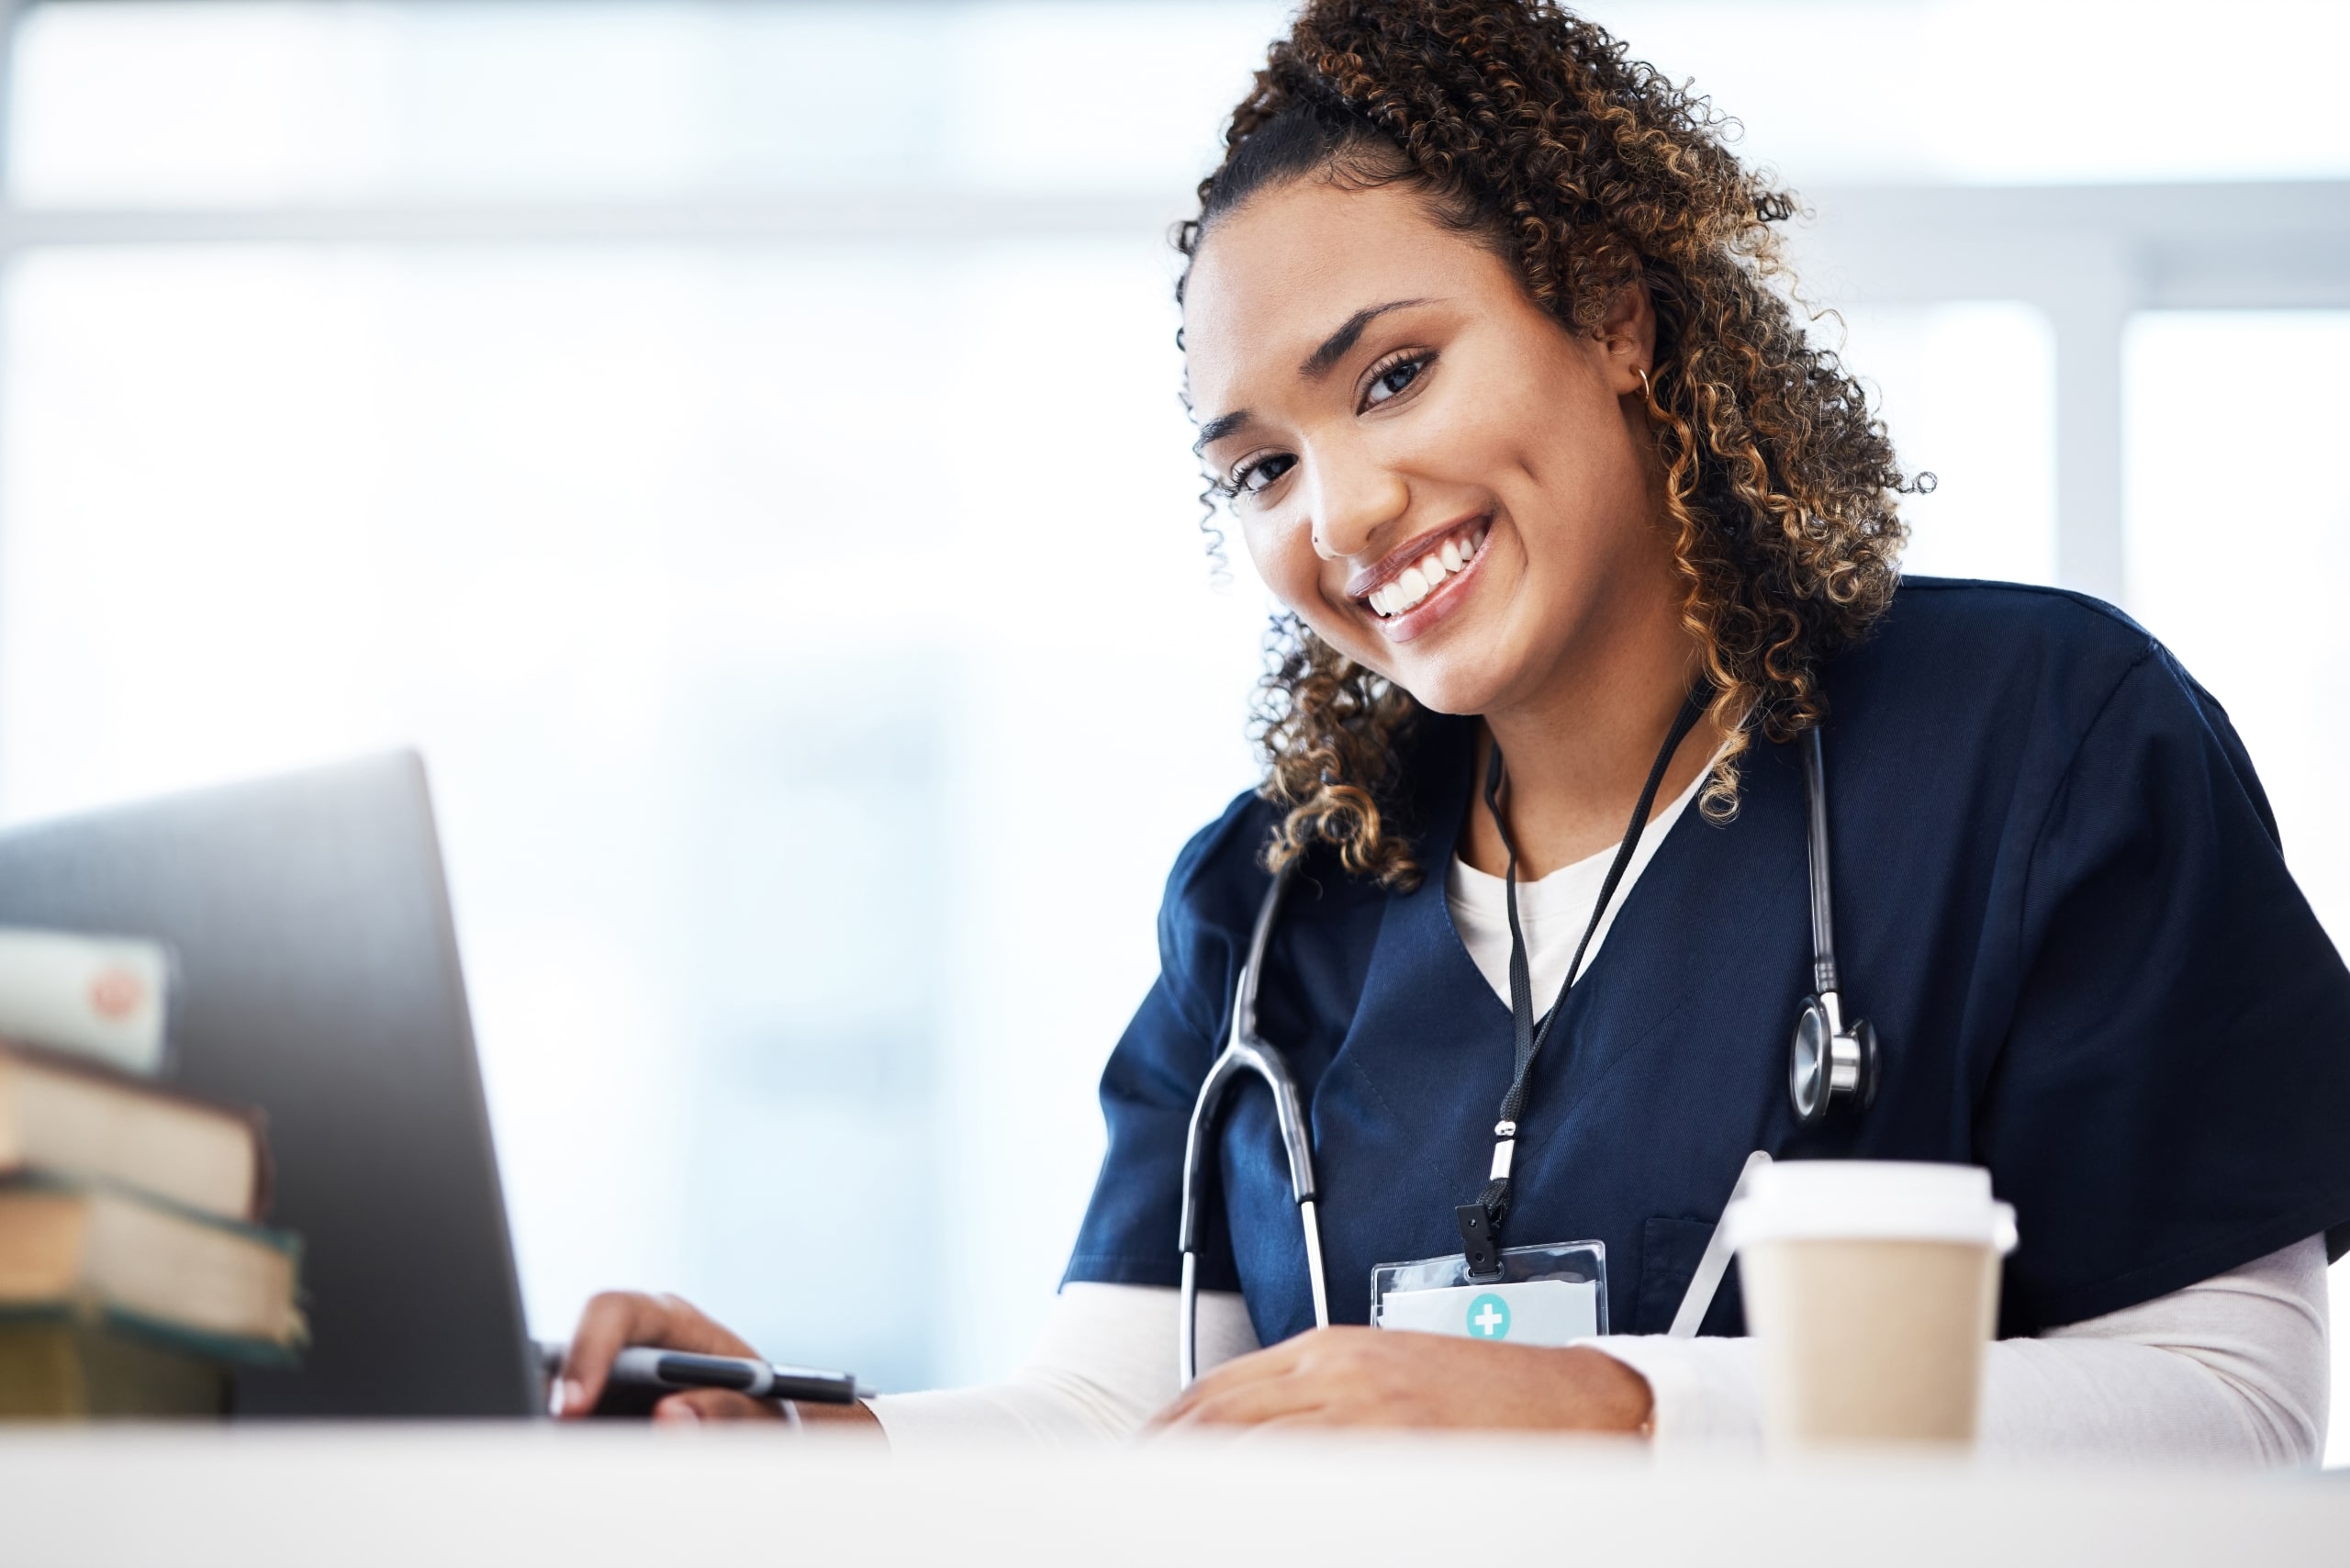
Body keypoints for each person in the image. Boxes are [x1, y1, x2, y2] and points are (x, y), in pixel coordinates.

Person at [555, 0, 2348, 1459]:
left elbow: (2235, 1405)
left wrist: (1608, 1408)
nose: (1333, 509)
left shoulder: (2035, 745)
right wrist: (819, 1436)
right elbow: (1119, 1407)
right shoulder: (1271, 900)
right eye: (1258, 463)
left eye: (1392, 372)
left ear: (1615, 311)